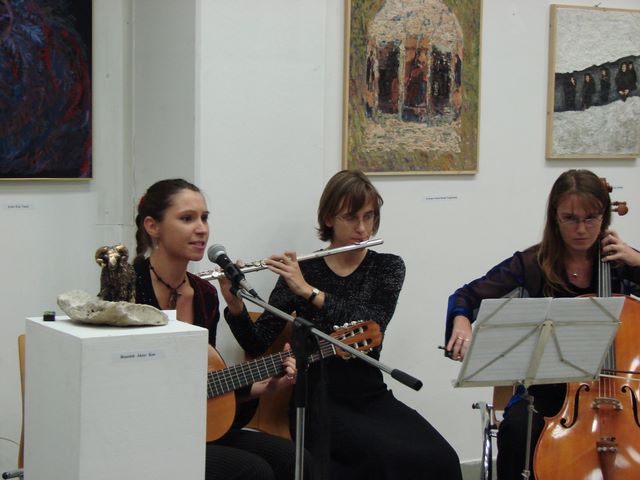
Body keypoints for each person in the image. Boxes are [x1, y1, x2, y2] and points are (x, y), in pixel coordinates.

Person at [225, 170, 463, 480]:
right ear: (328, 219)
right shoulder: (302, 270)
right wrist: (235, 305)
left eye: (369, 216)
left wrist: (308, 292)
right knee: (383, 460)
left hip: (370, 394)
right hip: (316, 400)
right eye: (351, 217)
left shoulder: (387, 266)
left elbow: (373, 324)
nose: (362, 228)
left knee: (442, 458)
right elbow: (256, 343)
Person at [444, 169, 640, 480]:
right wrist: (461, 321)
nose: (581, 229)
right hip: (549, 389)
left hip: (623, 392)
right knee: (517, 429)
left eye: (591, 218)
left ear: (604, 217)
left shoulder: (622, 262)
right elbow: (467, 295)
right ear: (554, 218)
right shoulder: (532, 264)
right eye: (570, 218)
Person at [133, 178, 303, 480]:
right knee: (254, 472)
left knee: (293, 459)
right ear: (152, 226)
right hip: (144, 432)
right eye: (187, 218)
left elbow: (203, 383)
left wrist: (266, 386)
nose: (202, 229)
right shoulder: (129, 287)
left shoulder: (205, 294)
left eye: (205, 218)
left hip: (192, 426)